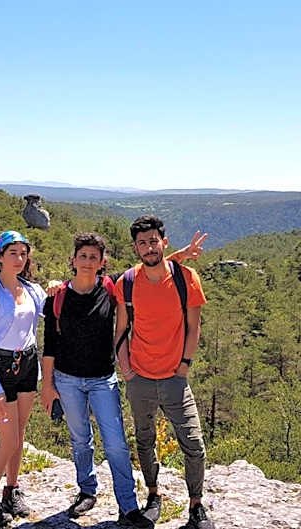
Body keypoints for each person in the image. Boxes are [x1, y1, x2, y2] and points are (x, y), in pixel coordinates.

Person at [41, 233, 154, 528]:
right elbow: (50, 345)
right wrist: (47, 385)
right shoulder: (57, 297)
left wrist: (179, 255)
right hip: (67, 379)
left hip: (103, 379)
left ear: (102, 262)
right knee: (80, 440)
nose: (88, 261)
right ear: (73, 260)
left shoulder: (110, 287)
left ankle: (128, 507)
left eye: (94, 257)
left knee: (115, 443)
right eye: (83, 256)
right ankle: (87, 490)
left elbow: (147, 269)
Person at [114, 215, 214, 529]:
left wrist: (184, 366)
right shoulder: (127, 282)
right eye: (142, 243)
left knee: (194, 444)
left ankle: (196, 504)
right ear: (135, 248)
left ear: (164, 242)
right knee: (144, 442)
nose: (148, 247)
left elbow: (194, 327)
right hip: (140, 377)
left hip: (174, 378)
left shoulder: (186, 278)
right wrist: (127, 370)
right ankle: (154, 495)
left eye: (153, 241)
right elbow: (121, 330)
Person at [0, 230, 47, 528]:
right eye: (12, 253)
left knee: (20, 433)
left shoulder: (32, 290)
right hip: (2, 369)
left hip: (27, 364)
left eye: (23, 253)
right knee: (9, 439)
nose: (19, 258)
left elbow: (57, 305)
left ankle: (11, 490)